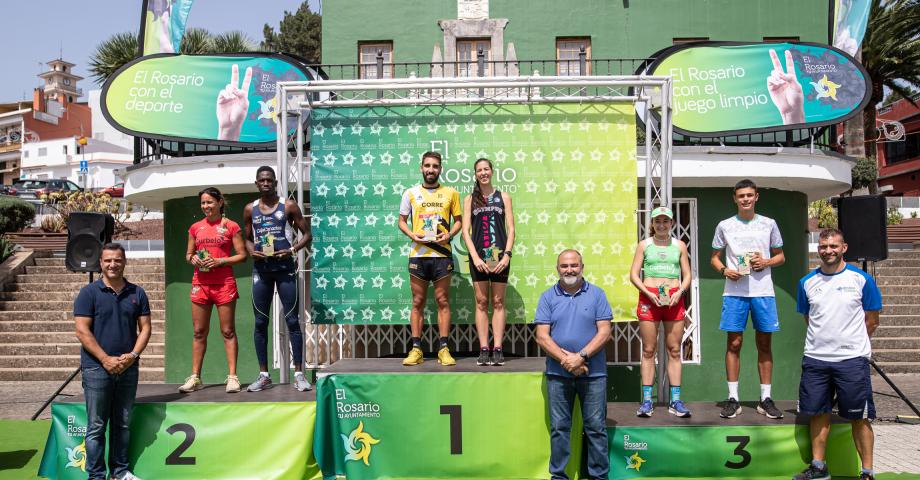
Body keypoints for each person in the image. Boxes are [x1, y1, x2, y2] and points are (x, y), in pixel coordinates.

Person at [793, 229, 881, 480]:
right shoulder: (806, 282)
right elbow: (809, 319)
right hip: (816, 359)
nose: (827, 251)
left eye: (833, 246)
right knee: (818, 413)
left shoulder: (862, 279)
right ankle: (819, 468)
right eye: (823, 246)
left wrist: (852, 345)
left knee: (859, 417)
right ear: (817, 249)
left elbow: (872, 320)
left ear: (844, 248)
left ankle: (867, 472)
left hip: (852, 361)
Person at [74, 243, 152, 480]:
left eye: (117, 260)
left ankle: (119, 472)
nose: (112, 264)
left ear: (125, 261)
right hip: (96, 368)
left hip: (128, 368)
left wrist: (133, 356)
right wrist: (105, 359)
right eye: (108, 260)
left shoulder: (137, 293)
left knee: (123, 424)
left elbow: (146, 328)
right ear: (101, 263)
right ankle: (96, 476)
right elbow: (82, 331)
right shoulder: (88, 293)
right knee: (96, 427)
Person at [710, 179, 786, 419]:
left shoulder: (769, 224)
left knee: (764, 345)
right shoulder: (724, 225)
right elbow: (714, 258)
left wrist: (766, 262)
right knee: (733, 344)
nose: (745, 199)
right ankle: (733, 398)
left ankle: (765, 399)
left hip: (763, 292)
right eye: (741, 195)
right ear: (735, 198)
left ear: (756, 197)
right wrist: (724, 270)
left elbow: (781, 257)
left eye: (749, 195)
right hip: (735, 293)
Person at [534, 250, 612, 480]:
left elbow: (605, 332)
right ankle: (559, 476)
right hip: (558, 375)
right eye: (565, 266)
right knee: (560, 429)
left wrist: (582, 356)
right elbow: (541, 336)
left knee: (596, 429)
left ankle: (599, 477)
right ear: (558, 268)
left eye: (574, 265)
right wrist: (567, 361)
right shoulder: (547, 297)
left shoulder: (597, 294)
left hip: (594, 374)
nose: (569, 270)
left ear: (582, 267)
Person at [243, 166, 312, 392]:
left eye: (269, 180)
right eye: (262, 180)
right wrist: (252, 250)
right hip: (261, 270)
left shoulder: (288, 206)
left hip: (284, 269)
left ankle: (299, 374)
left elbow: (308, 235)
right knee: (261, 322)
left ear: (275, 182)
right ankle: (264, 375)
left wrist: (292, 250)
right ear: (256, 183)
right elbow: (247, 239)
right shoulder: (249, 209)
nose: (265, 183)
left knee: (292, 320)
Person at [180, 187, 248, 393]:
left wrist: (220, 261)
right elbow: (188, 254)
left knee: (227, 331)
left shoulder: (231, 226)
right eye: (203, 203)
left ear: (220, 203)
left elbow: (242, 255)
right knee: (199, 332)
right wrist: (192, 258)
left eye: (209, 202)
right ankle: (195, 377)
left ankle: (233, 377)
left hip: (224, 283)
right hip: (200, 284)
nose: (206, 206)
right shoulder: (195, 228)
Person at [398, 151, 462, 366]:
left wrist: (450, 235)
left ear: (440, 169)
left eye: (435, 166)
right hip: (419, 254)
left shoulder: (451, 193)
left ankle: (443, 349)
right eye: (427, 165)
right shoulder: (410, 193)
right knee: (418, 302)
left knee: (443, 301)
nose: (431, 169)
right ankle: (416, 349)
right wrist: (411, 234)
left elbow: (459, 221)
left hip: (442, 255)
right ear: (421, 167)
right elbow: (401, 221)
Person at [629, 206, 692, 417]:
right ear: (652, 224)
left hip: (674, 297)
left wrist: (680, 291)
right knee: (649, 350)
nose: (662, 225)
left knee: (674, 349)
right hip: (649, 297)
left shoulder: (680, 245)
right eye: (658, 221)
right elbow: (634, 274)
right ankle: (647, 401)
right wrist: (647, 292)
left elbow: (688, 275)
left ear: (672, 223)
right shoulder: (644, 245)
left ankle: (676, 401)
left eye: (666, 221)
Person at [461, 158, 515, 366]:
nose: (483, 173)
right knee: (482, 302)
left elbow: (511, 229)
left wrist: (507, 254)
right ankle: (484, 348)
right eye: (479, 170)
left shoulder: (504, 197)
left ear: (491, 172)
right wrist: (474, 257)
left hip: (500, 258)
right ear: (475, 174)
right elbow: (466, 231)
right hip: (479, 259)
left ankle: (498, 348)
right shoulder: (469, 200)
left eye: (486, 169)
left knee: (499, 302)